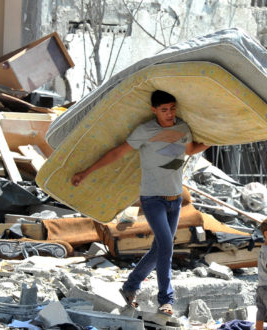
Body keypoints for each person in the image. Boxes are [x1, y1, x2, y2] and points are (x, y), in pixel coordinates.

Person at [72, 90, 209, 316]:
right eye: (164, 110)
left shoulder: (183, 128)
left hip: (175, 199)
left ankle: (130, 286)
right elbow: (117, 153)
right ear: (154, 110)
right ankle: (166, 300)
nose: (169, 114)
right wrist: (86, 172)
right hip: (153, 199)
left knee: (159, 248)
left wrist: (217, 138)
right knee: (166, 247)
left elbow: (191, 150)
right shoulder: (145, 131)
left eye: (172, 109)